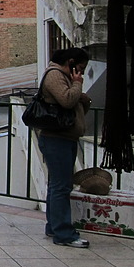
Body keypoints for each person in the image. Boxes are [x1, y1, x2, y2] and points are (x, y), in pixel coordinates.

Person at [38, 47, 92, 248]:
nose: (81, 73)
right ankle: (63, 233)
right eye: (79, 68)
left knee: (57, 185)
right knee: (61, 186)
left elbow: (76, 107)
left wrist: (82, 97)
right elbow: (67, 100)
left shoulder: (64, 77)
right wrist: (77, 86)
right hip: (56, 138)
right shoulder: (55, 75)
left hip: (66, 137)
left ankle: (54, 226)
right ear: (70, 62)